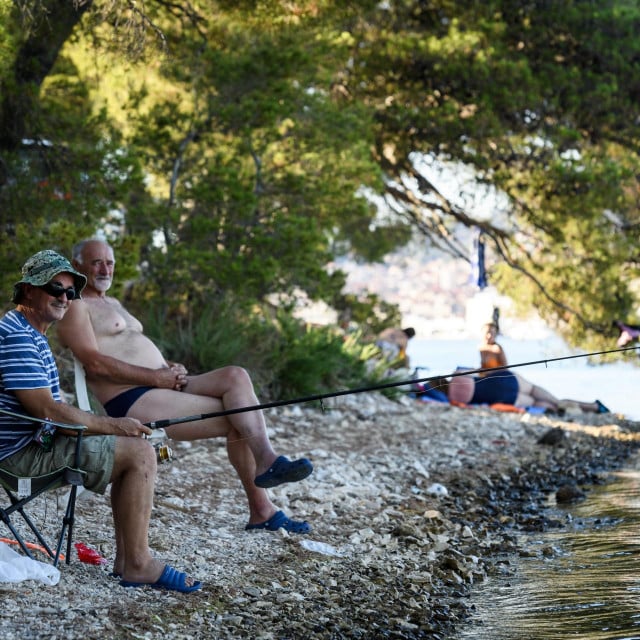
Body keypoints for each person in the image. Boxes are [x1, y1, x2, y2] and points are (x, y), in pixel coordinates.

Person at [56, 239, 313, 534]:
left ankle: (268, 461)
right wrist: (156, 378)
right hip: (133, 398)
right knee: (237, 417)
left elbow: (132, 346)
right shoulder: (75, 305)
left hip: (163, 383)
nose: (105, 269)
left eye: (110, 262)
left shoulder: (112, 303)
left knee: (236, 376)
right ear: (77, 266)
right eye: (96, 262)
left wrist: (169, 367)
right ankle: (262, 509)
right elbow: (95, 364)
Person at [0, 249, 201, 592]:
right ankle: (137, 564)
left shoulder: (28, 330)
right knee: (137, 454)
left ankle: (128, 561)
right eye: (55, 288)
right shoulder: (18, 335)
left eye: (69, 292)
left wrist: (109, 428)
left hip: (34, 442)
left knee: (135, 447)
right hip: (18, 457)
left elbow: (53, 410)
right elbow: (48, 411)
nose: (64, 298)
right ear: (29, 290)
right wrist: (115, 424)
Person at [447, 368, 610, 414]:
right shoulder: (457, 373)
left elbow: (470, 406)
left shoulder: (452, 398)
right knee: (554, 399)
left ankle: (592, 408)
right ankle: (593, 406)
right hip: (505, 379)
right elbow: (482, 372)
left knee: (544, 404)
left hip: (503, 397)